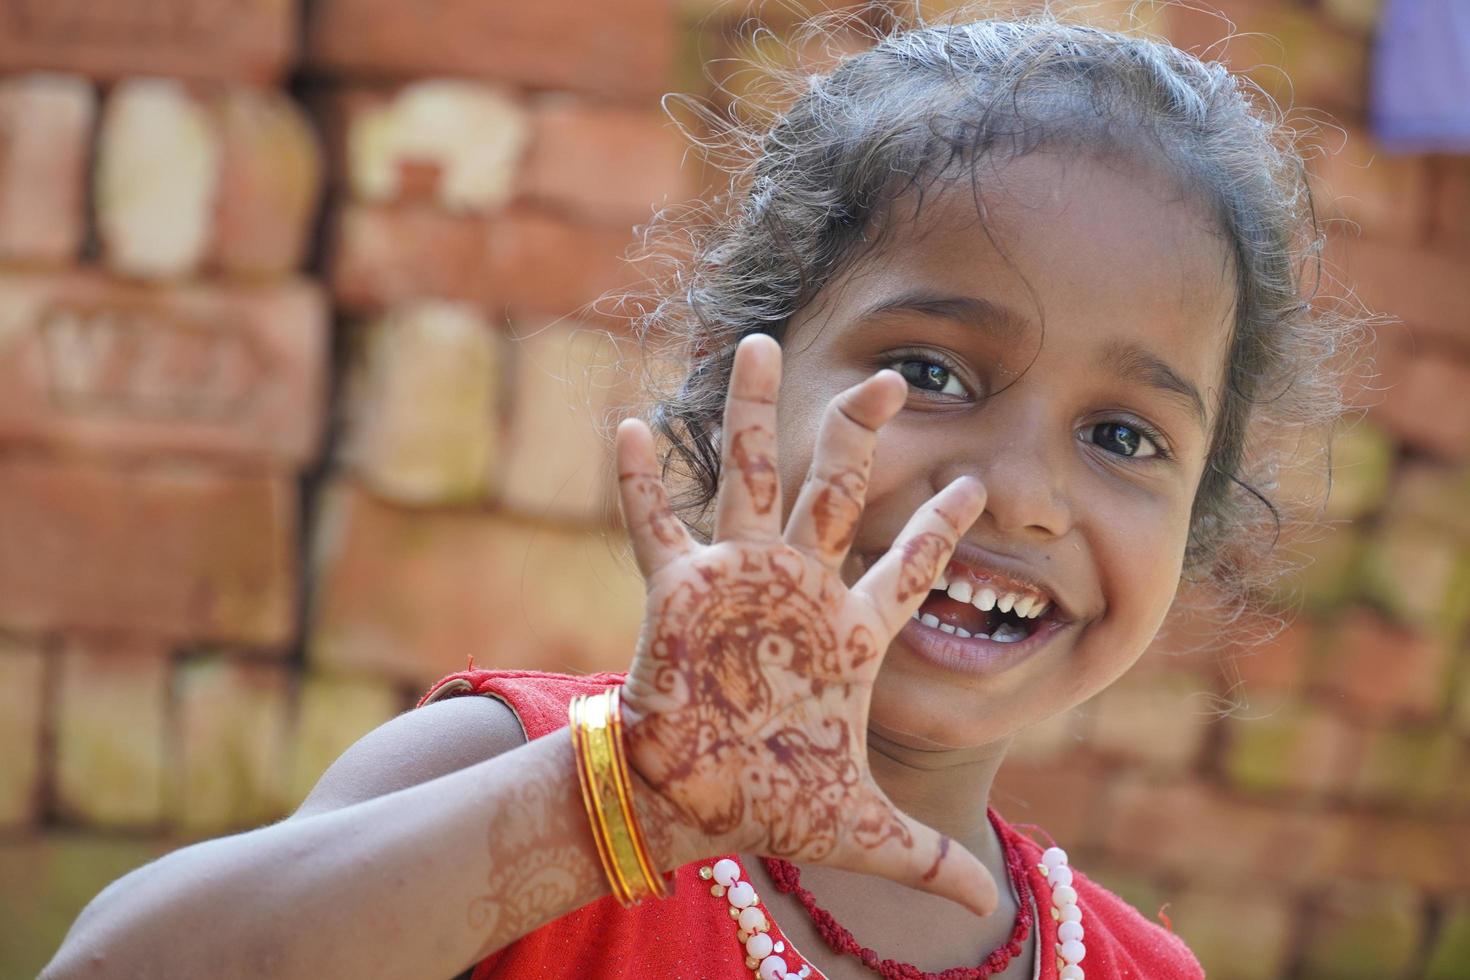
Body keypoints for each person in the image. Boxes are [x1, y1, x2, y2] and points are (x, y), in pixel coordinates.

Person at [42, 10, 1356, 980]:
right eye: (928, 370)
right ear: (743, 389)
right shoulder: (515, 785)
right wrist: (611, 813)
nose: (1016, 494)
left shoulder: (1132, 968)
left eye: (1123, 436)